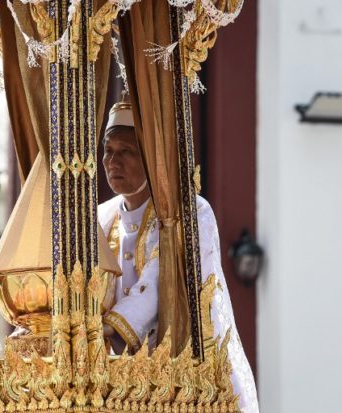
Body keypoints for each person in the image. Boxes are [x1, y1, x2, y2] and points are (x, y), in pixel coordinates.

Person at [99, 101, 259, 413]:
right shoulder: (100, 217)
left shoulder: (187, 212)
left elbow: (163, 279)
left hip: (176, 372)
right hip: (113, 375)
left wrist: (110, 326)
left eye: (126, 151)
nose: (112, 161)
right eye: (108, 150)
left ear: (149, 156)